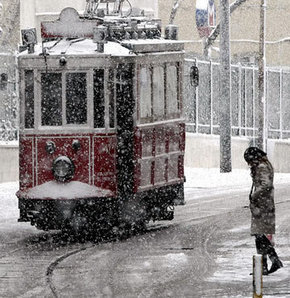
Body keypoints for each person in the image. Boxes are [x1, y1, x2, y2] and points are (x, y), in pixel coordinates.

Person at [244, 147, 283, 275]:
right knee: (259, 235)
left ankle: (273, 260)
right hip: (263, 204)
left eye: (249, 161)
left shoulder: (262, 167)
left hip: (262, 205)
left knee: (259, 235)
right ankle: (265, 265)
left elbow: (266, 185)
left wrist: (255, 196)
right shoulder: (264, 165)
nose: (249, 164)